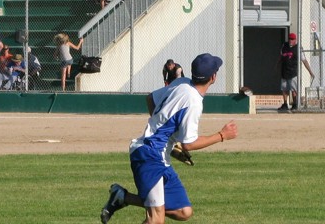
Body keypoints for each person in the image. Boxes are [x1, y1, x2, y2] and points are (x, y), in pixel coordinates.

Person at [100, 53, 238, 224]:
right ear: (213, 77)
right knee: (156, 219)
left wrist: (168, 141)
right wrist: (222, 135)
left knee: (183, 211)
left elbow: (150, 98)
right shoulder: (194, 102)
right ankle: (121, 197)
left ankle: (122, 197)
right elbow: (189, 144)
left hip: (159, 155)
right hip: (150, 154)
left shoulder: (181, 82)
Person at [276, 32, 314, 112]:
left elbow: (304, 60)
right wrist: (276, 65)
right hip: (284, 71)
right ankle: (285, 104)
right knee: (284, 89)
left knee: (294, 90)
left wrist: (310, 71)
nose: (290, 40)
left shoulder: (298, 48)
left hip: (293, 72)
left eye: (292, 39)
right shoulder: (284, 46)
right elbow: (281, 57)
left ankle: (294, 104)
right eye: (290, 39)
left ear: (295, 40)